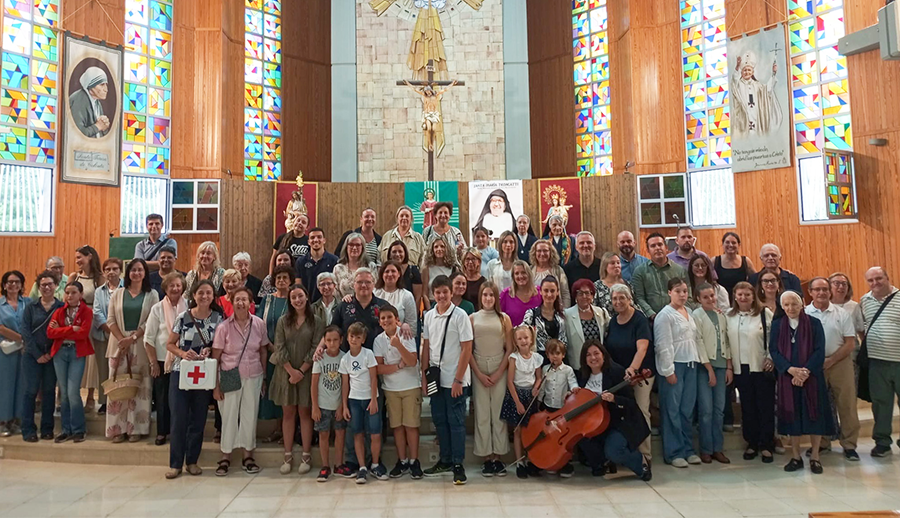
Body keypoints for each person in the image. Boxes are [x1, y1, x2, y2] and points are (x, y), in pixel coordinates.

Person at [771, 291, 834, 474]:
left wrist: (805, 371)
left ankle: (815, 456)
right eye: (787, 305)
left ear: (802, 304)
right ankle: (796, 456)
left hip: (812, 377)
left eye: (794, 304)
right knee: (793, 417)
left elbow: (819, 350)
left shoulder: (814, 323)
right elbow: (774, 351)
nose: (791, 308)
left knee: (814, 416)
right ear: (782, 307)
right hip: (788, 378)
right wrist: (790, 370)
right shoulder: (777, 326)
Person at [165, 280, 223, 479]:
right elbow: (170, 344)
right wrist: (182, 353)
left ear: (213, 296)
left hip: (204, 374)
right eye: (201, 293)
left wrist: (211, 349)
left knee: (198, 419)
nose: (204, 296)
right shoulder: (183, 317)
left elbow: (221, 344)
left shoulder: (218, 318)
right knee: (179, 418)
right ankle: (175, 464)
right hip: (181, 372)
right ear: (194, 295)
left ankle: (192, 461)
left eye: (208, 293)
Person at [420, 275, 473, 484]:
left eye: (445, 292)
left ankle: (458, 464)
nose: (441, 296)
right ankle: (445, 459)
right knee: (440, 421)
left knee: (456, 422)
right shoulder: (429, 316)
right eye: (438, 292)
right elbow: (426, 347)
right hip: (435, 378)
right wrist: (424, 376)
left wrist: (458, 380)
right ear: (433, 294)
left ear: (451, 292)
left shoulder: (460, 316)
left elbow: (467, 348)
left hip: (455, 378)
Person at [211, 287, 269, 476]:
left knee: (249, 415)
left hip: (253, 374)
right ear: (232, 302)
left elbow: (262, 351)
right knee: (228, 415)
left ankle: (247, 455)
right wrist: (216, 386)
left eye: (244, 299)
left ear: (251, 303)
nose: (241, 303)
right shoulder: (223, 327)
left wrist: (265, 376)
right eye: (237, 299)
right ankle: (225, 456)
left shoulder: (259, 324)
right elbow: (216, 357)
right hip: (229, 374)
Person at [575, 340, 652, 480]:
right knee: (579, 434)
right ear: (584, 359)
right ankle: (602, 463)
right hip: (595, 423)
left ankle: (641, 463)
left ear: (603, 355)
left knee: (614, 451)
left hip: (619, 423)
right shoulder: (582, 375)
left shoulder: (617, 372)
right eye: (588, 355)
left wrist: (614, 399)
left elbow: (630, 404)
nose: (593, 358)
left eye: (596, 353)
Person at [270, 283, 323, 476]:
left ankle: (306, 455)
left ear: (306, 297)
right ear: (290, 301)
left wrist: (301, 370)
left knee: (305, 413)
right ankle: (287, 455)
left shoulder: (316, 321)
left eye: (300, 296)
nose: (297, 300)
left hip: (307, 373)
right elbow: (279, 347)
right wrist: (291, 371)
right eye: (294, 298)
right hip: (286, 373)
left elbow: (316, 347)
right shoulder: (283, 321)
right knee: (288, 414)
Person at [805, 277, 859, 460]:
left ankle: (849, 445)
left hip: (840, 362)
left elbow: (850, 343)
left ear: (830, 292)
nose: (821, 293)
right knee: (819, 405)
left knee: (847, 404)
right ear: (810, 292)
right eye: (817, 289)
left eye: (825, 289)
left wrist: (832, 360)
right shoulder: (804, 313)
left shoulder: (841, 313)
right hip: (814, 364)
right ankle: (822, 443)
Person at [106, 258, 158, 443]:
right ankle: (117, 429)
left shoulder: (152, 295)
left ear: (145, 273)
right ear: (127, 273)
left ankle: (135, 428)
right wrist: (122, 340)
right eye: (133, 270)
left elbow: (151, 321)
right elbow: (110, 319)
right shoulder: (117, 294)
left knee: (140, 387)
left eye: (140, 270)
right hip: (118, 346)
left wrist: (133, 338)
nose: (136, 273)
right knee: (119, 387)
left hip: (141, 345)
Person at [726, 281, 776, 463]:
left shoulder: (764, 313)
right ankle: (752, 443)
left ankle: (766, 444)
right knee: (747, 407)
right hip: (741, 368)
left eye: (747, 294)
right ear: (734, 296)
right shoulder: (729, 316)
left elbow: (773, 338)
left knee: (765, 406)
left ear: (753, 296)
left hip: (761, 366)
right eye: (739, 294)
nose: (743, 298)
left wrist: (770, 357)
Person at [654, 278, 702, 468]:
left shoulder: (689, 312)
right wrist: (668, 370)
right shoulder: (665, 315)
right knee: (672, 410)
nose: (682, 295)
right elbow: (663, 345)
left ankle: (688, 449)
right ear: (669, 292)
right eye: (678, 291)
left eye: (684, 291)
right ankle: (674, 452)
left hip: (691, 363)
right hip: (674, 366)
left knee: (686, 410)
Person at [605, 283, 655, 458]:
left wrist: (633, 369)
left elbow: (642, 348)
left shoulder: (639, 319)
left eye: (621, 298)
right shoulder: (613, 320)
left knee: (641, 411)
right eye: (614, 298)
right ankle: (626, 454)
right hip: (621, 377)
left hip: (640, 374)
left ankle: (645, 456)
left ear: (629, 299)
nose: (618, 301)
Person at [469, 282, 513, 477]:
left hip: (498, 367)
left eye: (491, 296)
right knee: (482, 413)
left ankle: (498, 456)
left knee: (498, 414)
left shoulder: (504, 319)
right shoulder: (472, 319)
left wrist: (498, 373)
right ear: (481, 297)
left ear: (496, 298)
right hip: (478, 366)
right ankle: (486, 457)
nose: (488, 299)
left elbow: (509, 349)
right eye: (485, 295)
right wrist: (478, 373)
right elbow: (467, 350)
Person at [374, 304, 422, 479]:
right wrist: (398, 365)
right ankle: (402, 461)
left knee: (411, 425)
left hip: (410, 386)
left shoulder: (405, 334)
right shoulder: (378, 340)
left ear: (397, 319)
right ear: (380, 322)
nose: (386, 320)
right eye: (383, 318)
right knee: (397, 427)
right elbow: (379, 368)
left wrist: (399, 346)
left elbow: (412, 361)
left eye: (389, 317)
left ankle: (414, 461)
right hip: (391, 389)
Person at [858, 266, 900, 458]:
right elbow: (863, 328)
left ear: (887, 277)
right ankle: (882, 442)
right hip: (877, 363)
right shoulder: (864, 301)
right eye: (871, 280)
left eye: (879, 278)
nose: (875, 283)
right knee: (881, 403)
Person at [692, 283, 733, 464]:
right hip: (705, 367)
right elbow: (699, 341)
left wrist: (729, 366)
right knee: (706, 410)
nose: (710, 299)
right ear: (699, 299)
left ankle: (718, 448)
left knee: (719, 410)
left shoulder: (721, 315)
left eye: (712, 296)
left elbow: (727, 340)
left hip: (721, 365)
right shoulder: (697, 316)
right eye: (706, 297)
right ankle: (706, 449)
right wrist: (709, 369)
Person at [144, 271, 186, 446]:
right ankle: (162, 432)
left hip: (184, 360)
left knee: (182, 399)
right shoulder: (157, 308)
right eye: (171, 286)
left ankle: (180, 430)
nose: (175, 288)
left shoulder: (190, 306)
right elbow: (148, 338)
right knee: (162, 398)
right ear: (165, 289)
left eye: (178, 285)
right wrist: (153, 362)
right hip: (163, 362)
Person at [47, 281, 93, 443]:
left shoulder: (86, 311)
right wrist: (70, 329)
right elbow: (50, 333)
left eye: (74, 292)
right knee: (64, 392)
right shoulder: (59, 311)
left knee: (73, 391)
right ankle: (66, 429)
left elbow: (83, 334)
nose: (70, 296)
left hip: (76, 352)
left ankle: (79, 429)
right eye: (67, 292)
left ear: (80, 295)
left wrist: (61, 331)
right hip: (60, 352)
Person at [340, 322, 386, 483]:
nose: (354, 340)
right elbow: (345, 384)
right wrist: (344, 405)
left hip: (370, 399)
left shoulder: (368, 354)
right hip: (354, 400)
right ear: (347, 337)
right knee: (357, 433)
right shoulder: (345, 359)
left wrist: (374, 399)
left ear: (363, 339)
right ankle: (361, 467)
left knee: (374, 433)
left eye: (358, 337)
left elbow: (374, 378)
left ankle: (374, 464)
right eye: (352, 336)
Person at [20, 271, 63, 442]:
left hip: (52, 356)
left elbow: (62, 331)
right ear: (38, 287)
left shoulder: (61, 307)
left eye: (49, 284)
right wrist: (38, 354)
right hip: (32, 356)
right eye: (43, 284)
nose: (46, 287)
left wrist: (50, 353)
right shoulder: (31, 307)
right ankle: (28, 429)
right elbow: (25, 332)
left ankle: (47, 429)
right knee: (30, 392)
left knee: (49, 392)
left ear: (56, 286)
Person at [500, 325, 544, 478]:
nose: (523, 341)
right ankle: (519, 462)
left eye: (526, 337)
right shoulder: (514, 358)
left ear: (531, 339)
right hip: (517, 395)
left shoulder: (537, 358)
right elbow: (510, 381)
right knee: (518, 430)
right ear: (515, 342)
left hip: (530, 397)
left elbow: (538, 378)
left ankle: (532, 460)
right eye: (520, 338)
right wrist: (517, 402)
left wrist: (536, 387)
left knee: (530, 430)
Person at [258, 265, 294, 441]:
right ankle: (277, 429)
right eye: (278, 278)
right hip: (269, 352)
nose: (281, 281)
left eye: (285, 277)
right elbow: (258, 323)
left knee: (285, 392)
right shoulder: (267, 300)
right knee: (273, 391)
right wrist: (270, 346)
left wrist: (281, 349)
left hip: (289, 354)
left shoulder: (294, 299)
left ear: (290, 280)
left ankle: (286, 430)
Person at [68, 245, 103, 409]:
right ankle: (71, 395)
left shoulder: (99, 278)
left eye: (79, 257)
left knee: (91, 360)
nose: (77, 261)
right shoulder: (74, 277)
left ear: (89, 257)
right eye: (76, 258)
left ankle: (90, 396)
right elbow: (66, 298)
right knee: (74, 357)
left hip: (92, 322)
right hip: (75, 320)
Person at [311, 326, 348, 481]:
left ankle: (338, 464)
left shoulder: (345, 358)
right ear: (324, 341)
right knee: (324, 435)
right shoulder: (320, 358)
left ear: (341, 341)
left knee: (340, 434)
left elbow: (346, 384)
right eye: (328, 340)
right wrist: (315, 406)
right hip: (322, 404)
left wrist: (342, 405)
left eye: (335, 340)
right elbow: (314, 383)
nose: (332, 343)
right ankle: (325, 465)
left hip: (338, 404)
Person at [539, 339, 579, 478]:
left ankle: (564, 464)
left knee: (564, 439)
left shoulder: (568, 370)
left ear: (563, 355)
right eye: (551, 354)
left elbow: (573, 382)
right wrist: (538, 402)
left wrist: (574, 388)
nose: (554, 356)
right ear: (547, 355)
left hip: (562, 410)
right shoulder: (545, 370)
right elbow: (542, 389)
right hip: (548, 408)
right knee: (550, 437)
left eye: (557, 353)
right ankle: (551, 462)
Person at [91, 258, 123, 415]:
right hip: (103, 335)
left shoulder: (127, 288)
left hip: (124, 337)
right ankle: (104, 402)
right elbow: (97, 313)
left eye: (115, 269)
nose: (111, 272)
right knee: (103, 370)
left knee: (121, 369)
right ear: (104, 272)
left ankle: (120, 399)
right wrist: (111, 331)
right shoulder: (99, 291)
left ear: (120, 271)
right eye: (108, 269)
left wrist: (120, 333)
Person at [633, 232, 688, 320]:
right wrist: (652, 315)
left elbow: (687, 296)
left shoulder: (679, 270)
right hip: (651, 320)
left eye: (660, 244)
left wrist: (679, 313)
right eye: (653, 246)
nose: (657, 248)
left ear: (666, 247)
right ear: (648, 250)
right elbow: (639, 298)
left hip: (677, 318)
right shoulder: (640, 272)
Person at [331, 268, 386, 353]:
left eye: (368, 282)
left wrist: (404, 326)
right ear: (353, 285)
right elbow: (333, 331)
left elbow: (394, 326)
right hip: (348, 358)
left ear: (373, 285)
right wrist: (320, 348)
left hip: (378, 358)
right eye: (360, 282)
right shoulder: (343, 306)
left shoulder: (383, 306)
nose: (363, 285)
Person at [731, 51, 783, 138]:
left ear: (752, 72)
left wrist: (773, 74)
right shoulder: (739, 84)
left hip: (757, 121)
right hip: (742, 121)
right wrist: (737, 66)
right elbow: (734, 80)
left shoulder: (757, 85)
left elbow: (767, 91)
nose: (747, 72)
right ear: (741, 72)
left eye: (749, 70)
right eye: (744, 70)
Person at [564, 279, 611, 373]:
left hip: (598, 365)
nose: (584, 296)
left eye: (587, 293)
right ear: (575, 296)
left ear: (592, 295)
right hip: (578, 366)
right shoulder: (567, 315)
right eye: (580, 293)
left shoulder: (601, 312)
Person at [0, 270, 26, 436]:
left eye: (17, 282)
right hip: (5, 351)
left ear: (22, 285)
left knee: (22, 385)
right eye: (9, 282)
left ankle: (17, 420)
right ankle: (3, 421)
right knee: (5, 385)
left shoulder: (28, 303)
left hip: (24, 352)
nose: (13, 285)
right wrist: (21, 338)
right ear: (4, 285)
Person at [523, 277, 568, 359]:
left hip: (560, 360)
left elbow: (564, 340)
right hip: (539, 359)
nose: (549, 294)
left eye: (552, 291)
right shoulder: (531, 314)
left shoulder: (563, 314)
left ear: (557, 292)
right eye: (546, 290)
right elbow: (523, 336)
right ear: (540, 292)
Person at [294, 228, 339, 302]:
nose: (315, 240)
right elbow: (298, 286)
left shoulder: (334, 260)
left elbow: (336, 285)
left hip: (328, 305)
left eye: (319, 237)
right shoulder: (301, 261)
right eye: (312, 238)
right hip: (307, 305)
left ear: (324, 240)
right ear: (308, 242)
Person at [374, 261, 417, 336]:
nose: (390, 274)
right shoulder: (374, 293)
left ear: (399, 274)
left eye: (393, 271)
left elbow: (412, 325)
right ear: (382, 274)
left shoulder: (407, 295)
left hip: (400, 340)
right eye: (387, 271)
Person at [68, 66, 111, 137]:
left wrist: (104, 127)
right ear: (91, 85)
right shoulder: (79, 100)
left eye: (106, 85)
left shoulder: (97, 103)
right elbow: (77, 133)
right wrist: (97, 127)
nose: (106, 89)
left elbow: (99, 131)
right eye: (102, 84)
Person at [713, 232, 755, 304]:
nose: (730, 245)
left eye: (733, 242)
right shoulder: (715, 261)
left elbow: (755, 279)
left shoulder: (746, 261)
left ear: (738, 245)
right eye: (727, 242)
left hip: (742, 300)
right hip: (721, 302)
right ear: (722, 244)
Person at [333, 232, 378, 299]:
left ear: (362, 248)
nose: (354, 248)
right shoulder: (338, 268)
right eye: (351, 244)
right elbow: (335, 292)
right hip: (344, 306)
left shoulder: (371, 266)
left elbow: (376, 289)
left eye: (357, 245)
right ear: (346, 247)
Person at [499, 260, 541, 327]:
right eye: (517, 273)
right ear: (513, 276)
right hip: (514, 335)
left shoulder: (540, 293)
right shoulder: (505, 295)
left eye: (523, 272)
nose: (520, 276)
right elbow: (500, 319)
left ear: (529, 274)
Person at [385, 240, 424, 312]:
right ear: (389, 254)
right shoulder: (385, 271)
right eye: (394, 252)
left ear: (405, 253)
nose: (397, 254)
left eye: (400, 251)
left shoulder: (413, 271)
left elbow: (418, 297)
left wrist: (414, 315)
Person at [531, 239, 571, 308]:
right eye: (539, 251)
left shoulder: (558, 270)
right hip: (535, 310)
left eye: (545, 251)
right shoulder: (529, 270)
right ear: (534, 253)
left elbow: (565, 293)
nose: (542, 254)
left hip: (555, 310)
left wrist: (564, 312)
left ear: (551, 252)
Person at [422, 236, 460, 306]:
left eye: (442, 246)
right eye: (436, 247)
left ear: (447, 249)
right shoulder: (426, 269)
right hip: (432, 304)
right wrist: (429, 309)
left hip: (449, 304)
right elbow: (424, 294)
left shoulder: (454, 269)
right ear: (432, 250)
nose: (439, 249)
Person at [562, 231, 601, 296]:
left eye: (589, 242)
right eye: (581, 243)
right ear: (576, 247)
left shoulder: (603, 266)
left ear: (594, 246)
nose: (585, 245)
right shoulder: (567, 269)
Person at [829, 272, 865, 339]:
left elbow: (861, 331)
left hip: (852, 347)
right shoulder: (824, 306)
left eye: (844, 284)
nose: (841, 286)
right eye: (836, 283)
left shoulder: (854, 306)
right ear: (829, 286)